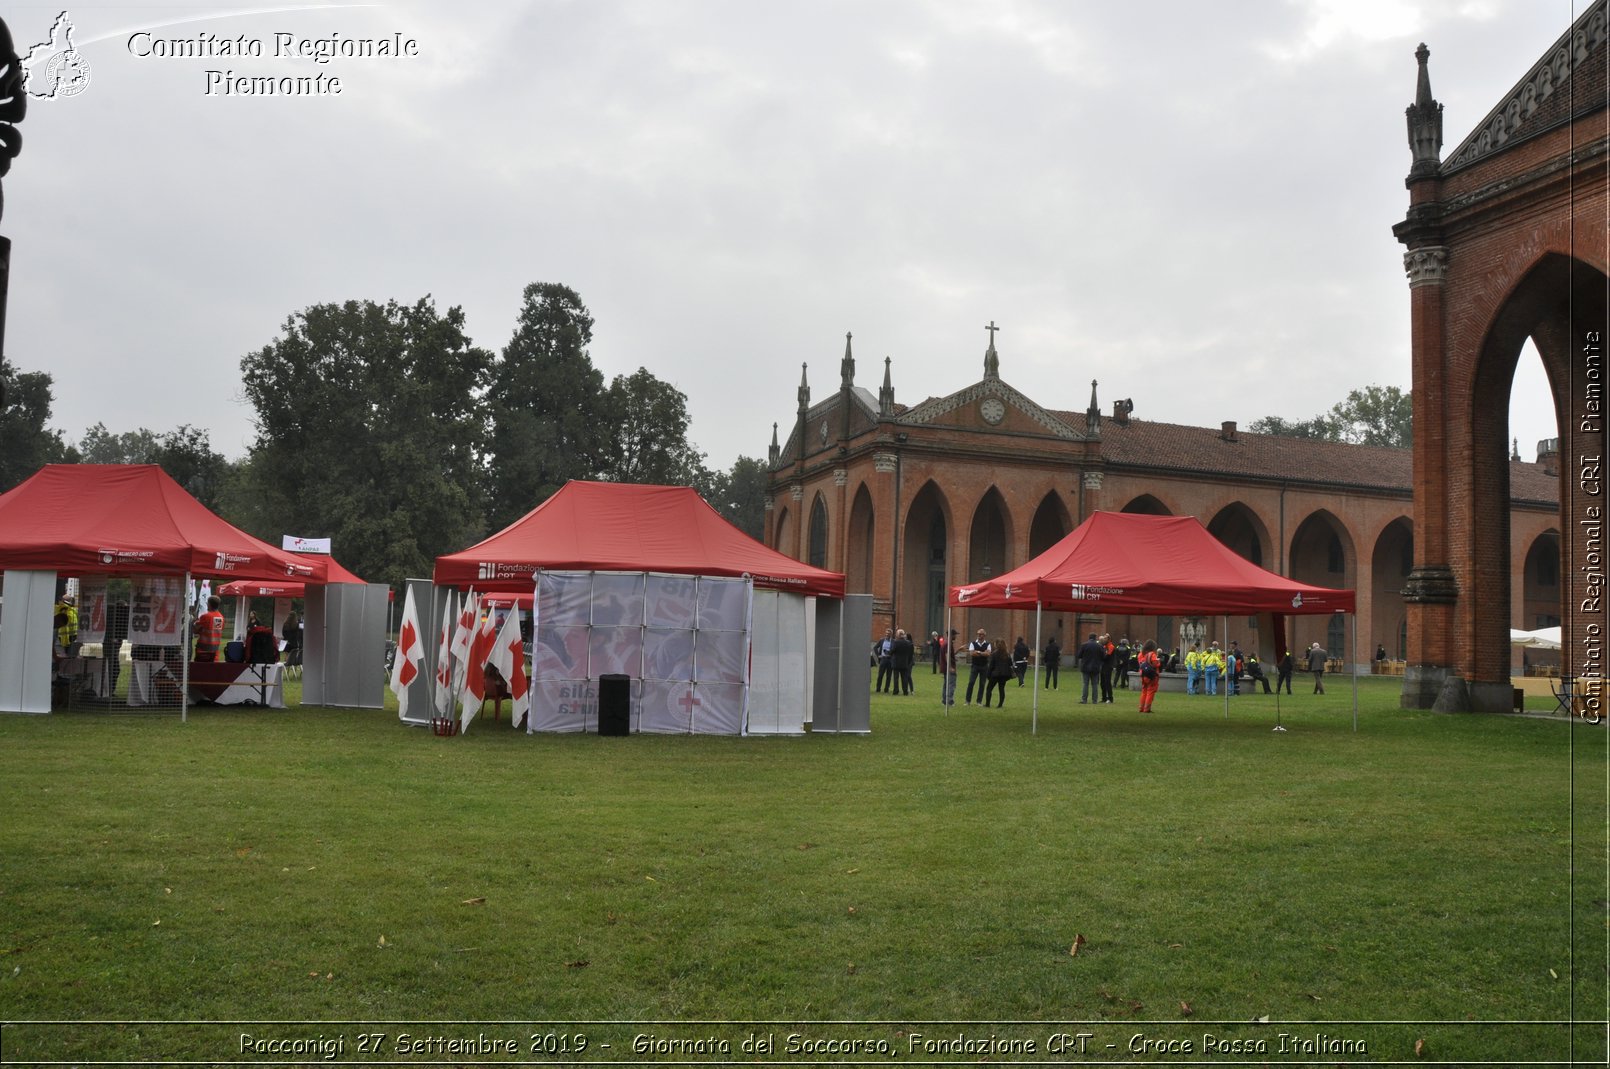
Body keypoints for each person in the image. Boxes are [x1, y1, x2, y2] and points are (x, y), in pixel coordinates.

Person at [194, 596, 226, 662]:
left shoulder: (206, 616)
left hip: (203, 651)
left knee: (199, 670)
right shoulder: (221, 617)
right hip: (215, 651)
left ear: (209, 604)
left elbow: (195, 630)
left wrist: (195, 623)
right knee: (212, 670)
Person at [965, 629, 992, 706]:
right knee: (971, 682)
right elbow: (972, 653)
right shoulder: (973, 643)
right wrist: (983, 653)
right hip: (975, 666)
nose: (979, 636)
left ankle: (979, 701)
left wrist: (978, 652)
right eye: (978, 634)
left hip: (984, 666)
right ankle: (967, 700)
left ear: (984, 635)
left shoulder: (988, 644)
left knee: (982, 684)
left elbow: (988, 654)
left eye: (981, 634)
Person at [986, 636, 1013, 707]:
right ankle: (1000, 705)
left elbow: (991, 666)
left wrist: (988, 675)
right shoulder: (1007, 654)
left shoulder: (994, 654)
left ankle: (987, 704)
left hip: (995, 674)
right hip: (1004, 675)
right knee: (1001, 690)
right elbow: (1010, 664)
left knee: (989, 689)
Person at [1077, 632, 1104, 704]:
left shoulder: (1084, 645)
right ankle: (1094, 700)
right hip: (1095, 667)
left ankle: (1084, 700)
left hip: (1085, 667)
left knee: (1085, 684)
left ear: (1089, 637)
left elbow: (1079, 655)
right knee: (1095, 684)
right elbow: (1103, 657)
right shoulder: (1099, 646)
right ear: (1095, 638)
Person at [1137, 639, 1161, 713]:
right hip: (1151, 675)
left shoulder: (1140, 654)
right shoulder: (1152, 654)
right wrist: (1158, 662)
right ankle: (1147, 708)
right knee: (1150, 691)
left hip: (1143, 674)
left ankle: (1141, 708)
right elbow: (1155, 664)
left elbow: (1141, 664)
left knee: (1144, 691)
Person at [891, 628, 916, 695]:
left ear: (898, 635)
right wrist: (908, 661)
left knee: (896, 678)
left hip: (896, 662)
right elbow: (911, 654)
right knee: (904, 678)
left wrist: (890, 653)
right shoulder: (908, 643)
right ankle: (905, 691)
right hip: (905, 662)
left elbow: (892, 651)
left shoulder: (896, 642)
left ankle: (896, 690)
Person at [942, 629, 959, 706]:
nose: (956, 636)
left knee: (946, 684)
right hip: (949, 668)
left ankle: (944, 700)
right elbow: (947, 655)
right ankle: (950, 701)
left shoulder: (945, 643)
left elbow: (949, 655)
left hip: (945, 667)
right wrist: (950, 667)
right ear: (952, 635)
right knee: (951, 684)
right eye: (955, 635)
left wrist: (958, 651)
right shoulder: (948, 644)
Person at [874, 629, 894, 693]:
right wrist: (878, 655)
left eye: (888, 633)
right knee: (880, 675)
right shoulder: (882, 640)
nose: (887, 635)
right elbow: (875, 647)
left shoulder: (893, 641)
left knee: (889, 676)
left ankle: (886, 689)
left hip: (890, 660)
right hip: (883, 659)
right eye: (886, 633)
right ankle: (878, 688)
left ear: (891, 634)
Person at [1098, 633, 1115, 702]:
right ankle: (1104, 698)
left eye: (1105, 638)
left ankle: (1110, 698)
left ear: (1108, 639)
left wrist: (1101, 656)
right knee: (1102, 682)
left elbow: (1106, 657)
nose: (1103, 639)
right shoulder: (1104, 646)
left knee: (1107, 682)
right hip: (1103, 666)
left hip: (1108, 666)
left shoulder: (1111, 646)